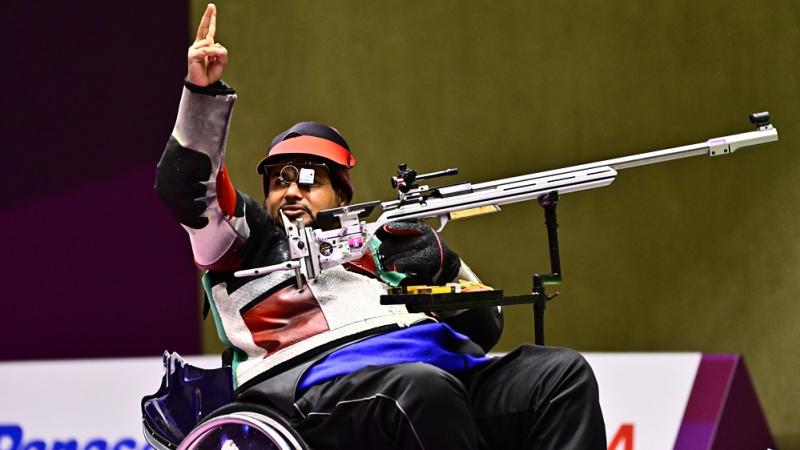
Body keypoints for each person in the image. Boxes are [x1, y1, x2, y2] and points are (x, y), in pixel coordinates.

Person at [155, 4, 606, 449]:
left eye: (310, 178)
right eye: (278, 180)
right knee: (423, 392)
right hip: (311, 394)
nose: (291, 191)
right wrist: (201, 94)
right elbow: (188, 189)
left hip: (434, 375)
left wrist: (442, 266)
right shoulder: (245, 245)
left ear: (343, 194)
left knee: (559, 374)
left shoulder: (387, 243)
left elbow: (486, 328)